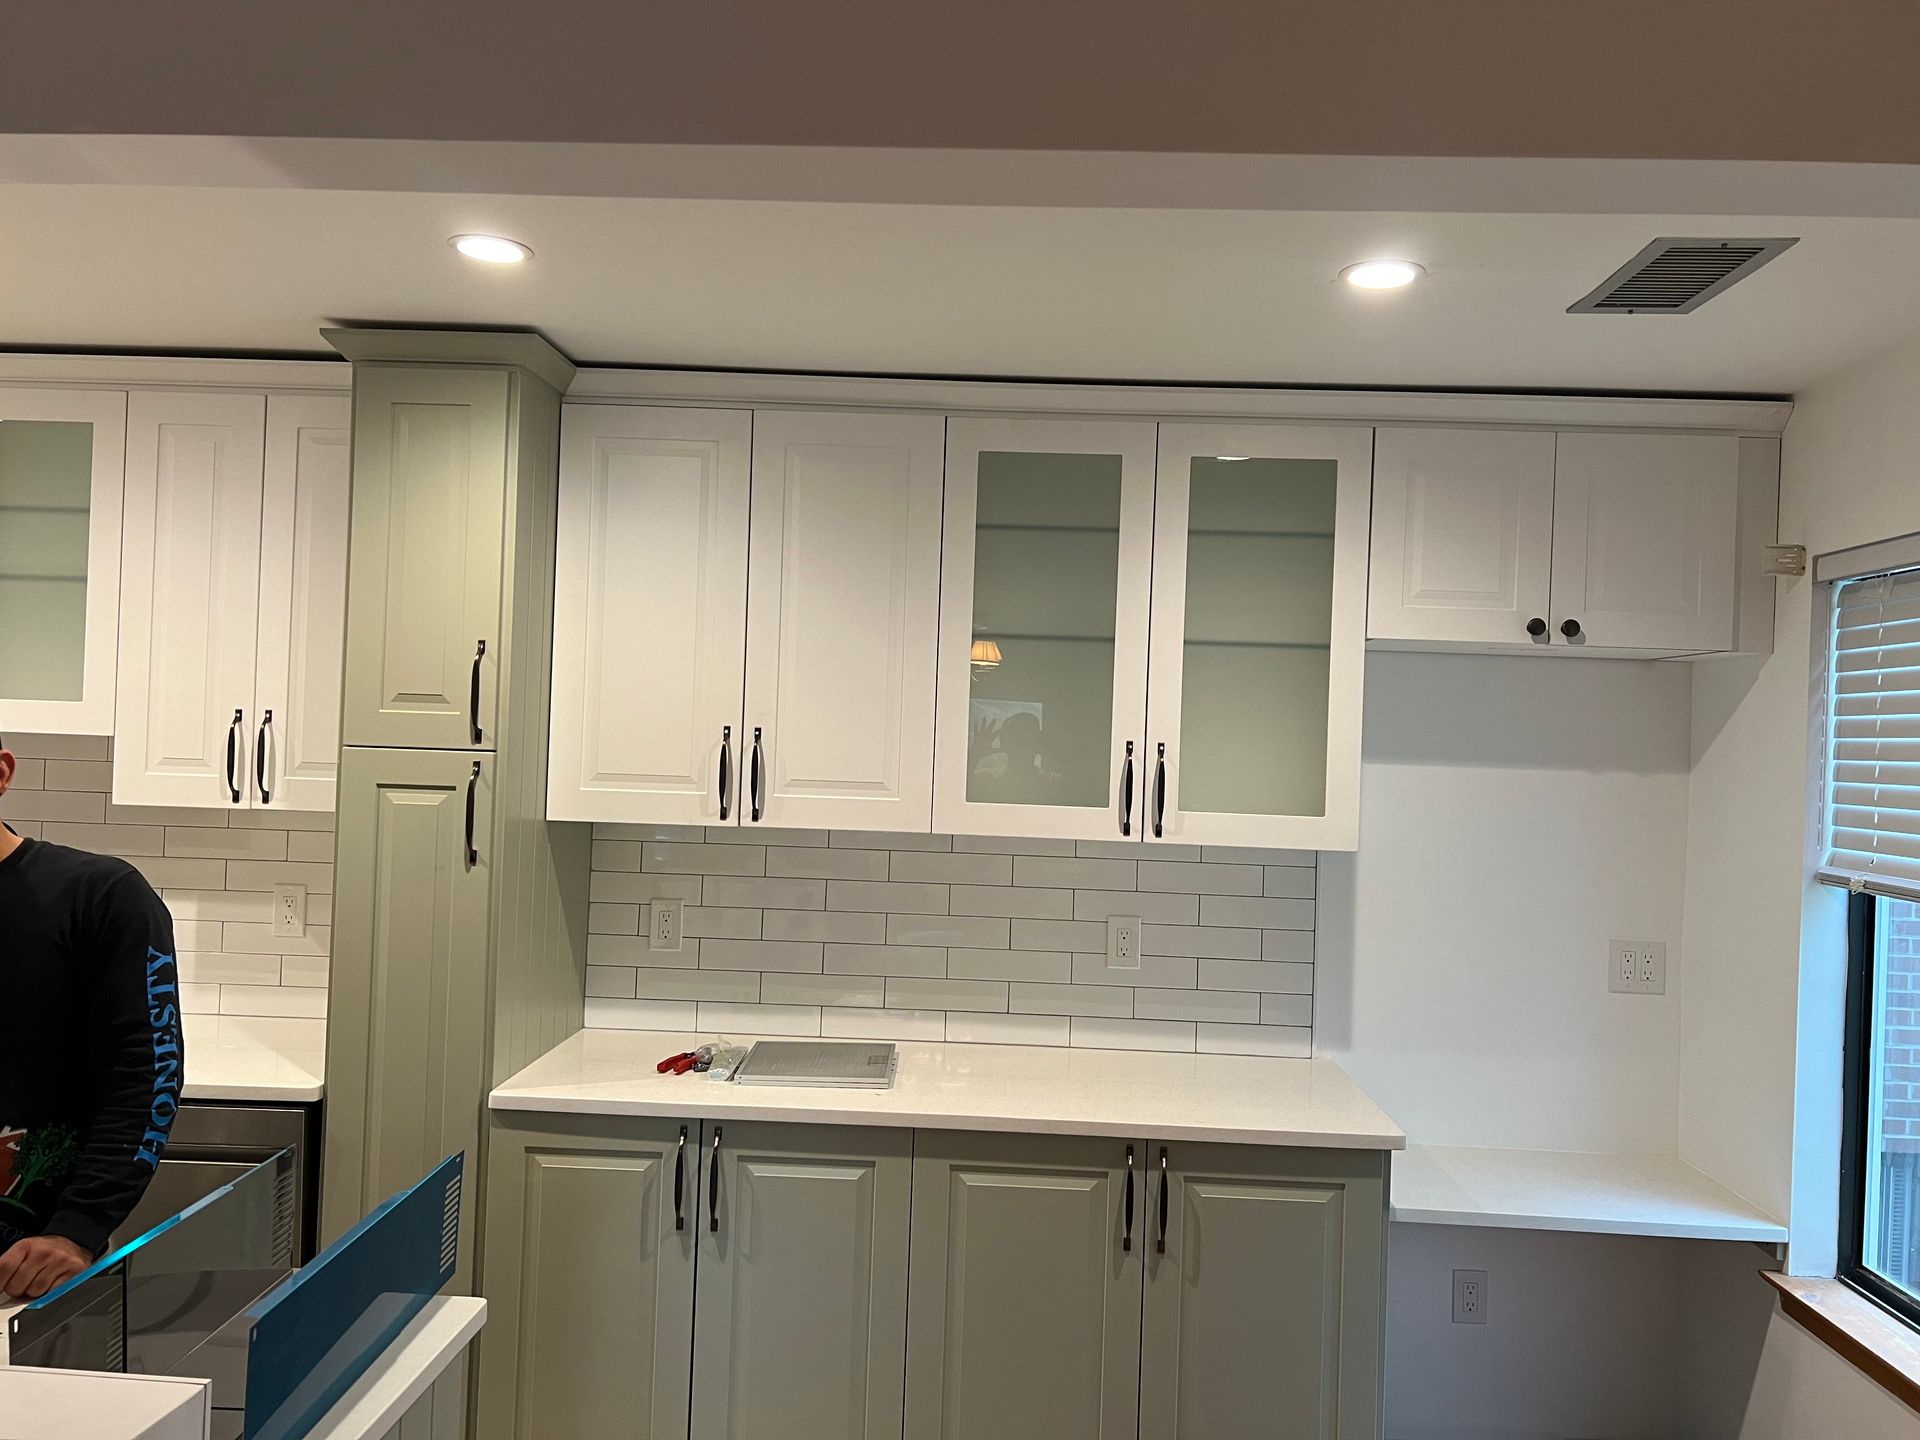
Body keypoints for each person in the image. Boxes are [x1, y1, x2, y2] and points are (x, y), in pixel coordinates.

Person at [0, 734, 182, 1300]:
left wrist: (76, 1230)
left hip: (29, 1274)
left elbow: (146, 1076)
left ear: (1, 773)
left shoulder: (102, 896)